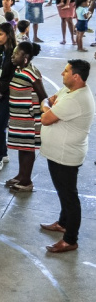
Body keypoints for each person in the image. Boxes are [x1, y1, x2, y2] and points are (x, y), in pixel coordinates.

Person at [39, 60, 94, 253]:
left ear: (76, 76)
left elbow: (45, 119)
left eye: (66, 71)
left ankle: (70, 239)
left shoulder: (75, 99)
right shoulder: (68, 91)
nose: (62, 73)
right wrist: (48, 105)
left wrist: (47, 107)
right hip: (59, 154)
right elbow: (48, 100)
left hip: (66, 155)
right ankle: (63, 223)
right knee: (63, 192)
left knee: (69, 196)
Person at [6, 41, 47, 193]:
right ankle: (21, 174)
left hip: (28, 118)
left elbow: (43, 96)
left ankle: (27, 181)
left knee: (28, 148)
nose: (13, 56)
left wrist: (41, 114)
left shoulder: (30, 72)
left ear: (26, 57)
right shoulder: (19, 69)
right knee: (21, 147)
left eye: (16, 53)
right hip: (18, 117)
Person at [0, 22, 17, 171]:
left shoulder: (15, 53)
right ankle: (4, 152)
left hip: (9, 93)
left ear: (8, 35)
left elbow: (14, 75)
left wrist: (4, 87)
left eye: (0, 34)